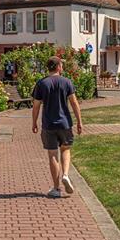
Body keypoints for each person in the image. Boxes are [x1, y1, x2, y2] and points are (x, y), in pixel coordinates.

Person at [31, 56, 83, 198]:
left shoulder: (41, 84)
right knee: (65, 149)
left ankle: (56, 188)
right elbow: (74, 103)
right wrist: (79, 121)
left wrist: (34, 122)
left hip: (48, 124)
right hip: (65, 123)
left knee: (52, 154)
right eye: (62, 65)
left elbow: (36, 106)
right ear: (58, 67)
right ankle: (65, 175)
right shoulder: (67, 82)